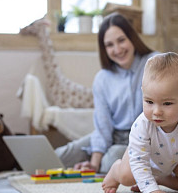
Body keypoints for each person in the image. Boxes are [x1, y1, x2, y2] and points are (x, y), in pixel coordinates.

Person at [102, 52, 178, 193]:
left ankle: (159, 179)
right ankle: (115, 170)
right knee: (127, 177)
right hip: (144, 156)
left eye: (167, 104)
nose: (156, 111)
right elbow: (139, 161)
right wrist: (150, 189)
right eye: (149, 101)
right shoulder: (142, 125)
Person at [55, 13, 159, 173]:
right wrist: (95, 161)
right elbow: (103, 126)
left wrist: (98, 163)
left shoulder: (154, 63)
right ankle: (93, 162)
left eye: (121, 40)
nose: (117, 49)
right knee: (60, 156)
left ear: (132, 38)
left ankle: (99, 163)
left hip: (145, 137)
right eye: (109, 45)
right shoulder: (102, 78)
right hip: (114, 135)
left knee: (111, 159)